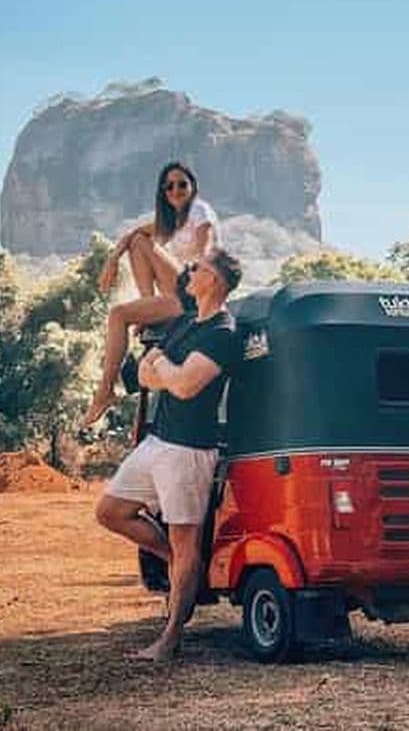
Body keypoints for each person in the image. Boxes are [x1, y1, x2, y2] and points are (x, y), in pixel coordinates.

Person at [94, 248, 242, 662]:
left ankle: (170, 639)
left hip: (189, 450)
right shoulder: (184, 323)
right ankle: (178, 563)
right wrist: (164, 369)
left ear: (214, 281)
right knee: (110, 511)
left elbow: (185, 386)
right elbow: (144, 374)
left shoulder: (223, 333)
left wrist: (163, 368)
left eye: (198, 268)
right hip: (158, 441)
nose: (189, 271)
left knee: (186, 539)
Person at [82, 161, 221, 428]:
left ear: (192, 187)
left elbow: (204, 253)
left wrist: (197, 284)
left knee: (118, 314)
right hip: (181, 288)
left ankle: (105, 391)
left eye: (182, 184)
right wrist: (113, 259)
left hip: (197, 289)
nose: (176, 190)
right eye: (169, 187)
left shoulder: (199, 210)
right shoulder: (171, 221)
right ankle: (148, 307)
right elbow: (132, 235)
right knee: (138, 242)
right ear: (163, 192)